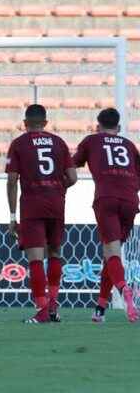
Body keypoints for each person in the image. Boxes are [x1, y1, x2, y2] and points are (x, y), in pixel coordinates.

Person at [6, 104, 77, 323]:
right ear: (45, 123)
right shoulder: (59, 142)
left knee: (36, 258)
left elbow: (11, 181)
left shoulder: (18, 144)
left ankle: (43, 309)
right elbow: (73, 177)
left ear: (25, 123)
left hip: (32, 204)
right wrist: (56, 187)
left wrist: (11, 215)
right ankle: (53, 305)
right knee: (55, 253)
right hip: (56, 203)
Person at [72, 108, 139, 323]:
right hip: (130, 200)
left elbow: (72, 165)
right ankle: (100, 308)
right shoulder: (129, 145)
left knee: (112, 254)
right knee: (109, 255)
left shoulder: (91, 141)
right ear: (118, 128)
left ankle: (124, 291)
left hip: (106, 198)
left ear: (97, 126)